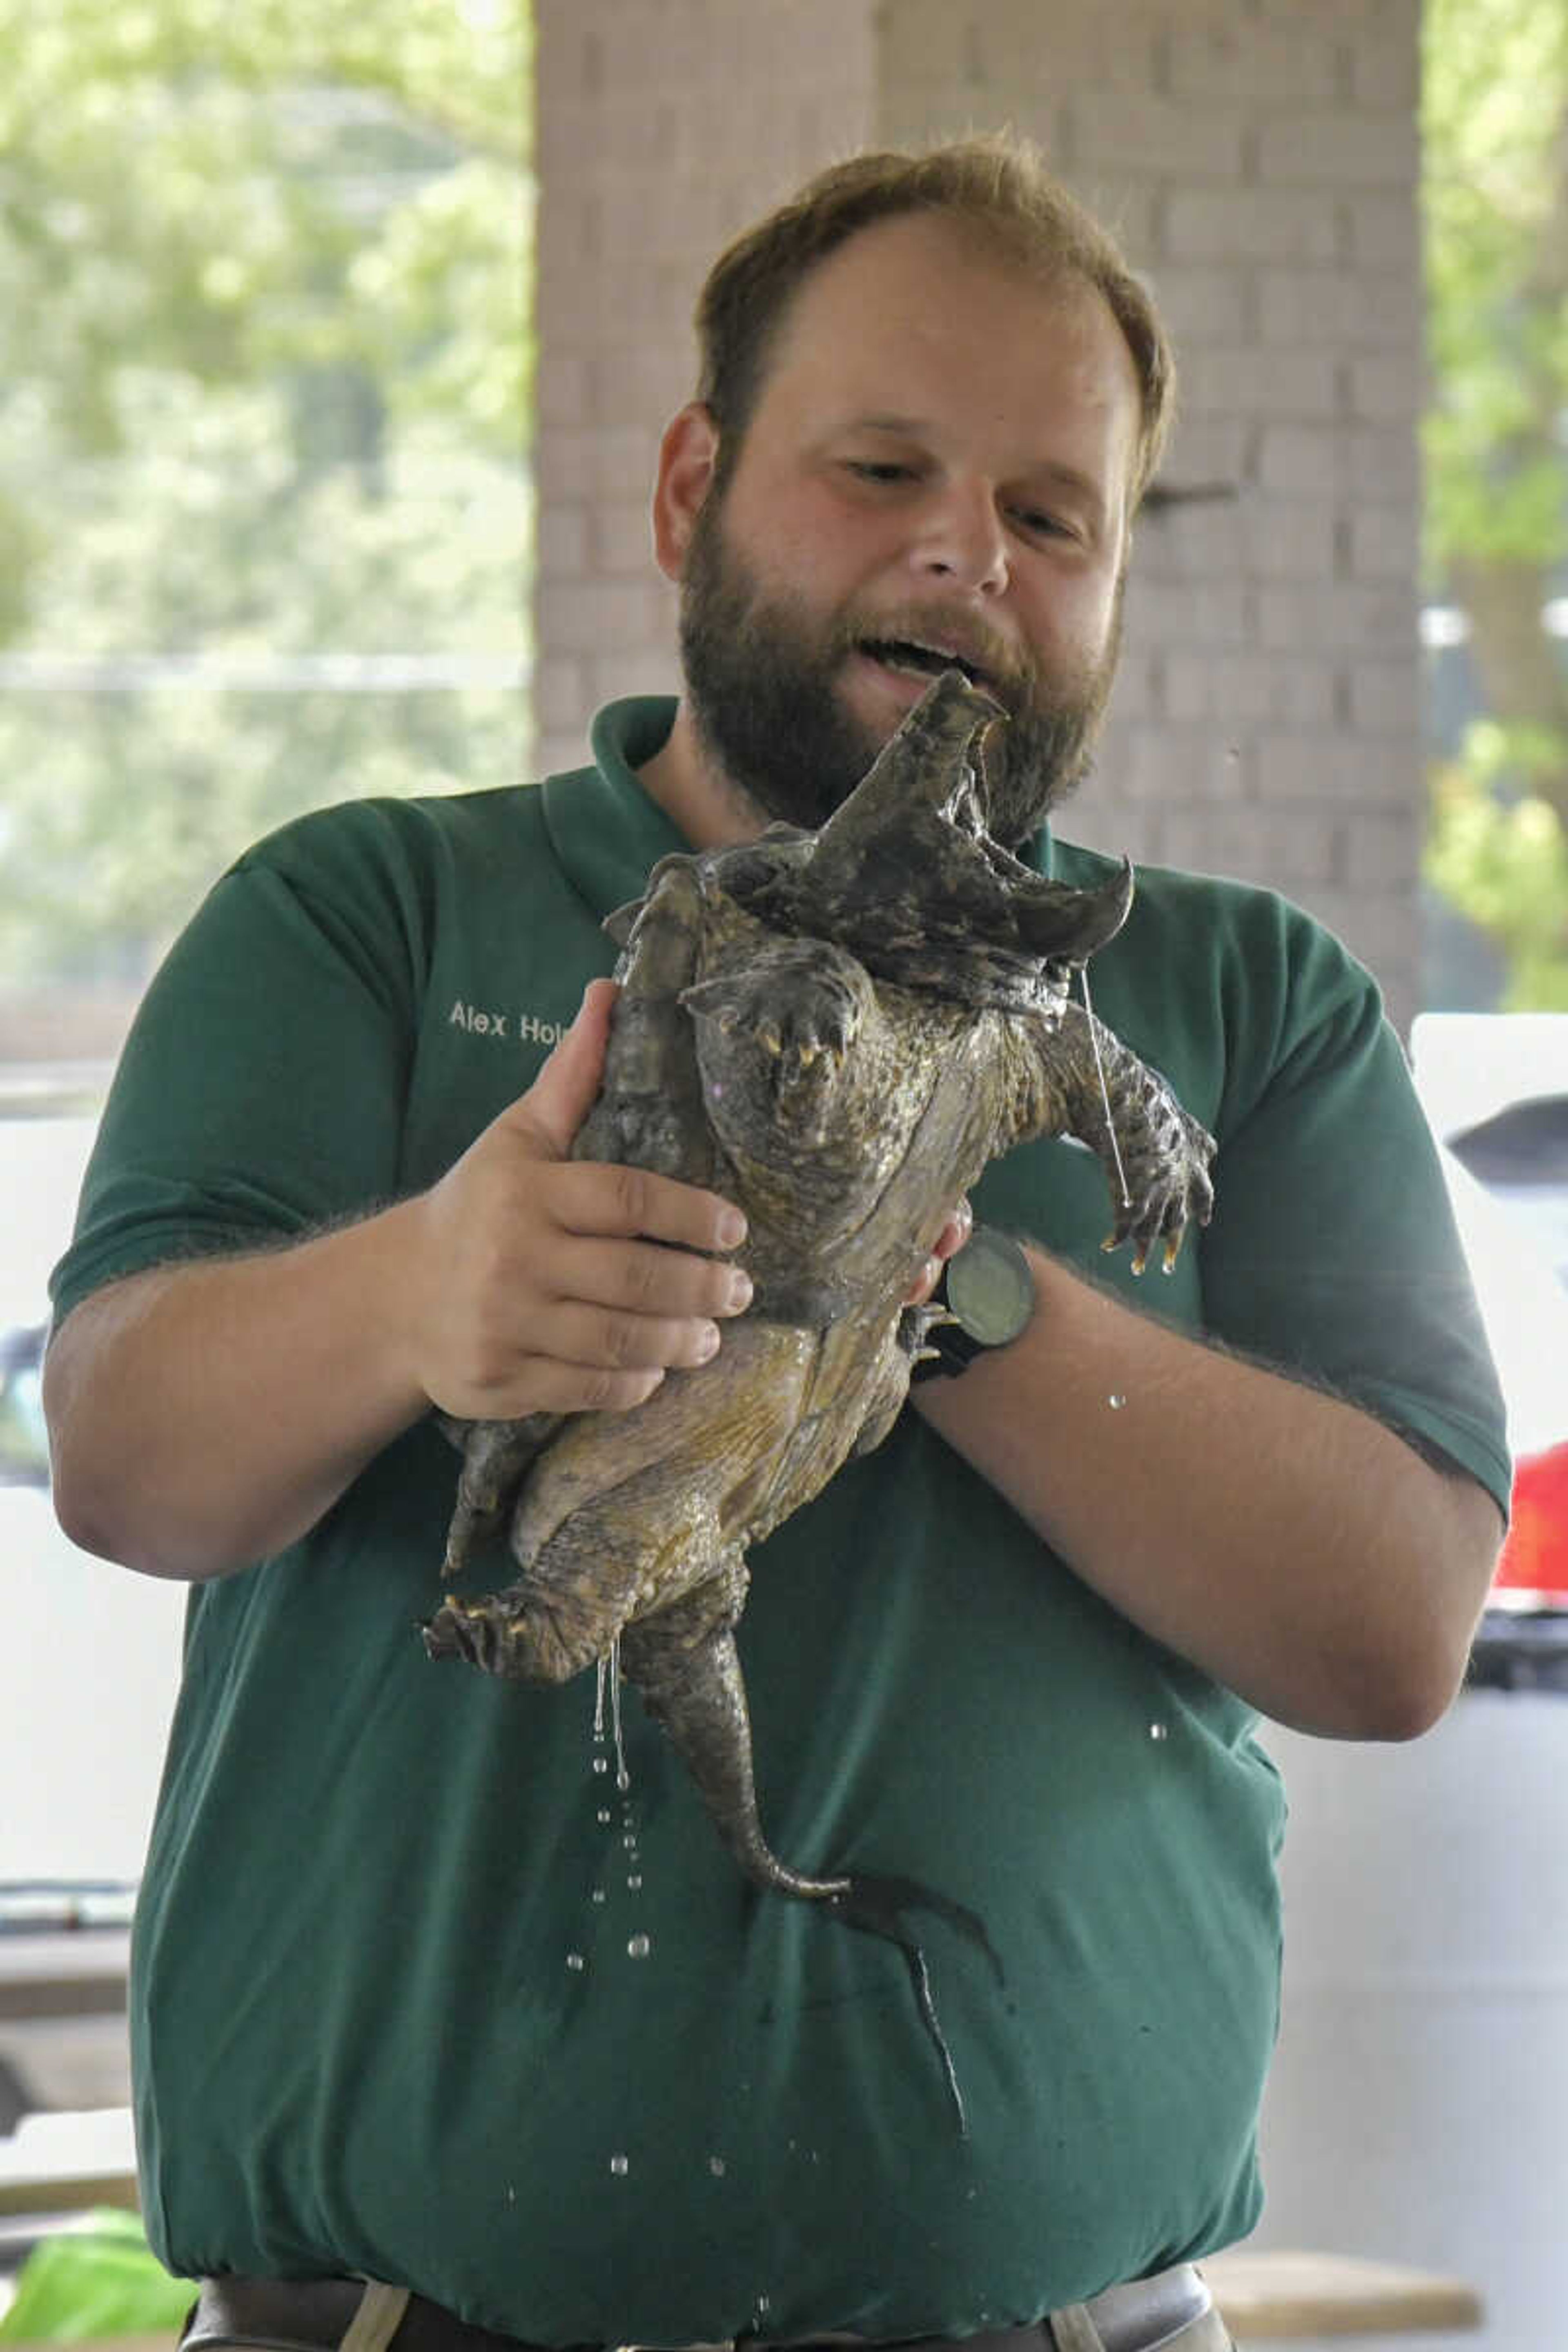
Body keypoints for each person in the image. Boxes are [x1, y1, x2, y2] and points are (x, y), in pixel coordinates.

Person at [45, 134, 1508, 2352]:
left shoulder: (1239, 1004)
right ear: (686, 499)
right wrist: (422, 1293)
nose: (964, 552)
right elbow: (128, 1463)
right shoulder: (361, 916)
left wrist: (938, 1281)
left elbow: (1398, 1628)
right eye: (884, 467)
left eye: (1051, 515)